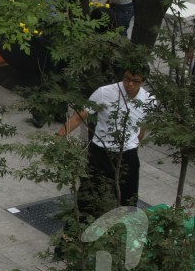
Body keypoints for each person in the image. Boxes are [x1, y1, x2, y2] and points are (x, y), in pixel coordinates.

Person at [57, 65, 153, 216]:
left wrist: (133, 145)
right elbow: (78, 117)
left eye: (135, 81)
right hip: (100, 153)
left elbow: (142, 129)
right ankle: (76, 235)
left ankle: (121, 234)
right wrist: (57, 139)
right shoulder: (104, 93)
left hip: (127, 155)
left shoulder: (148, 100)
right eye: (127, 78)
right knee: (87, 199)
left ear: (142, 81)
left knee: (128, 201)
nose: (130, 84)